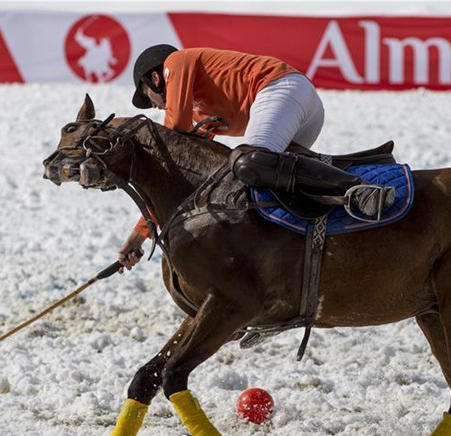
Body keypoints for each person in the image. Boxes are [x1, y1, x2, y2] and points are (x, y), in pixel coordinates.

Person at [118, 45, 394, 272]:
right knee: (275, 186)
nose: (154, 105)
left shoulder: (176, 61)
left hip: (281, 89)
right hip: (302, 104)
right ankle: (364, 170)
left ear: (156, 79)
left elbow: (172, 137)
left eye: (149, 97)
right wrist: (138, 235)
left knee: (248, 164)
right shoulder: (201, 115)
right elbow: (180, 173)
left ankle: (356, 189)